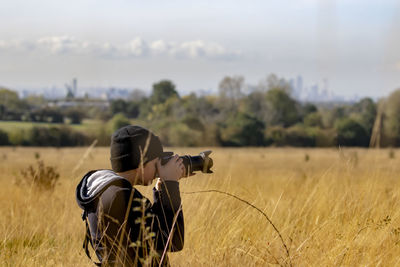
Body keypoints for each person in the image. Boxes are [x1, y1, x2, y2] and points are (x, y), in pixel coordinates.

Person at [76, 125, 186, 266]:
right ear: (140, 164)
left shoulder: (101, 191)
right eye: (156, 163)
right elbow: (173, 241)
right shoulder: (125, 198)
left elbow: (152, 234)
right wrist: (170, 185)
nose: (159, 169)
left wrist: (160, 192)